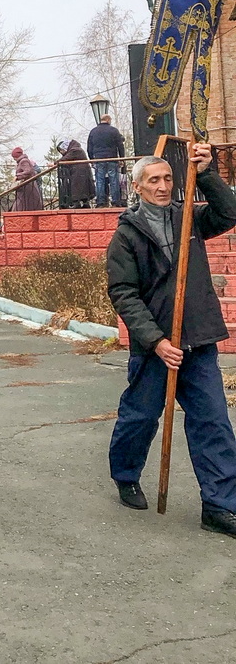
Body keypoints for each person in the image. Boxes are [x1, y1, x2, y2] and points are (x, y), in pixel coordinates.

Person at [107, 144, 236, 536]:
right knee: (141, 417)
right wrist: (157, 341)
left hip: (196, 342)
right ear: (138, 187)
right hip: (156, 348)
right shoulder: (126, 237)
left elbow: (229, 212)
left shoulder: (190, 220)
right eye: (154, 180)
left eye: (167, 178)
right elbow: (124, 294)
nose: (163, 186)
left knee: (213, 422)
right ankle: (126, 475)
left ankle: (218, 505)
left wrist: (208, 172)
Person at [87, 114, 126, 208]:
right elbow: (120, 145)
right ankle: (116, 202)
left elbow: (89, 148)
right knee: (114, 180)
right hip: (112, 158)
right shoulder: (113, 130)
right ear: (108, 120)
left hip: (99, 159)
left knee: (99, 180)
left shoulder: (93, 131)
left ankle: (100, 202)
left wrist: (92, 160)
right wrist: (122, 158)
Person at [56, 138, 95, 209]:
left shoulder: (75, 150)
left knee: (77, 187)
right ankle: (85, 202)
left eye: (61, 150)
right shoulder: (76, 149)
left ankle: (77, 203)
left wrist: (55, 163)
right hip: (80, 172)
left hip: (79, 172)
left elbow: (65, 158)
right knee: (83, 188)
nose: (61, 152)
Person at [11, 148, 43, 212]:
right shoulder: (23, 161)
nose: (13, 159)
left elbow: (28, 171)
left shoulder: (23, 161)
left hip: (27, 188)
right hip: (26, 187)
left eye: (14, 157)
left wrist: (17, 177)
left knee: (21, 207)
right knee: (22, 206)